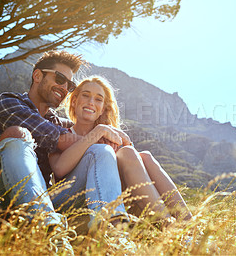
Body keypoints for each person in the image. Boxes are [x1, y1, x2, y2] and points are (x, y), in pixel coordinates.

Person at [0, 51, 128, 255]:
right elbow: (61, 139)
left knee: (99, 151)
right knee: (17, 134)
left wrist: (107, 134)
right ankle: (50, 233)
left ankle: (112, 234)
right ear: (37, 76)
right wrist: (98, 133)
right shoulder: (9, 104)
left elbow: (78, 129)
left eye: (69, 85)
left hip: (45, 201)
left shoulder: (56, 121)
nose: (64, 88)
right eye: (59, 78)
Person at [50, 76, 192, 226]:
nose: (91, 102)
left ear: (103, 109)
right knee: (105, 151)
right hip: (69, 198)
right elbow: (59, 169)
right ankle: (168, 227)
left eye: (98, 99)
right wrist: (97, 133)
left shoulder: (108, 137)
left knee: (144, 156)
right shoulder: (61, 132)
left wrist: (118, 141)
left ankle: (188, 225)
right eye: (85, 95)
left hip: (108, 195)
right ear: (74, 101)